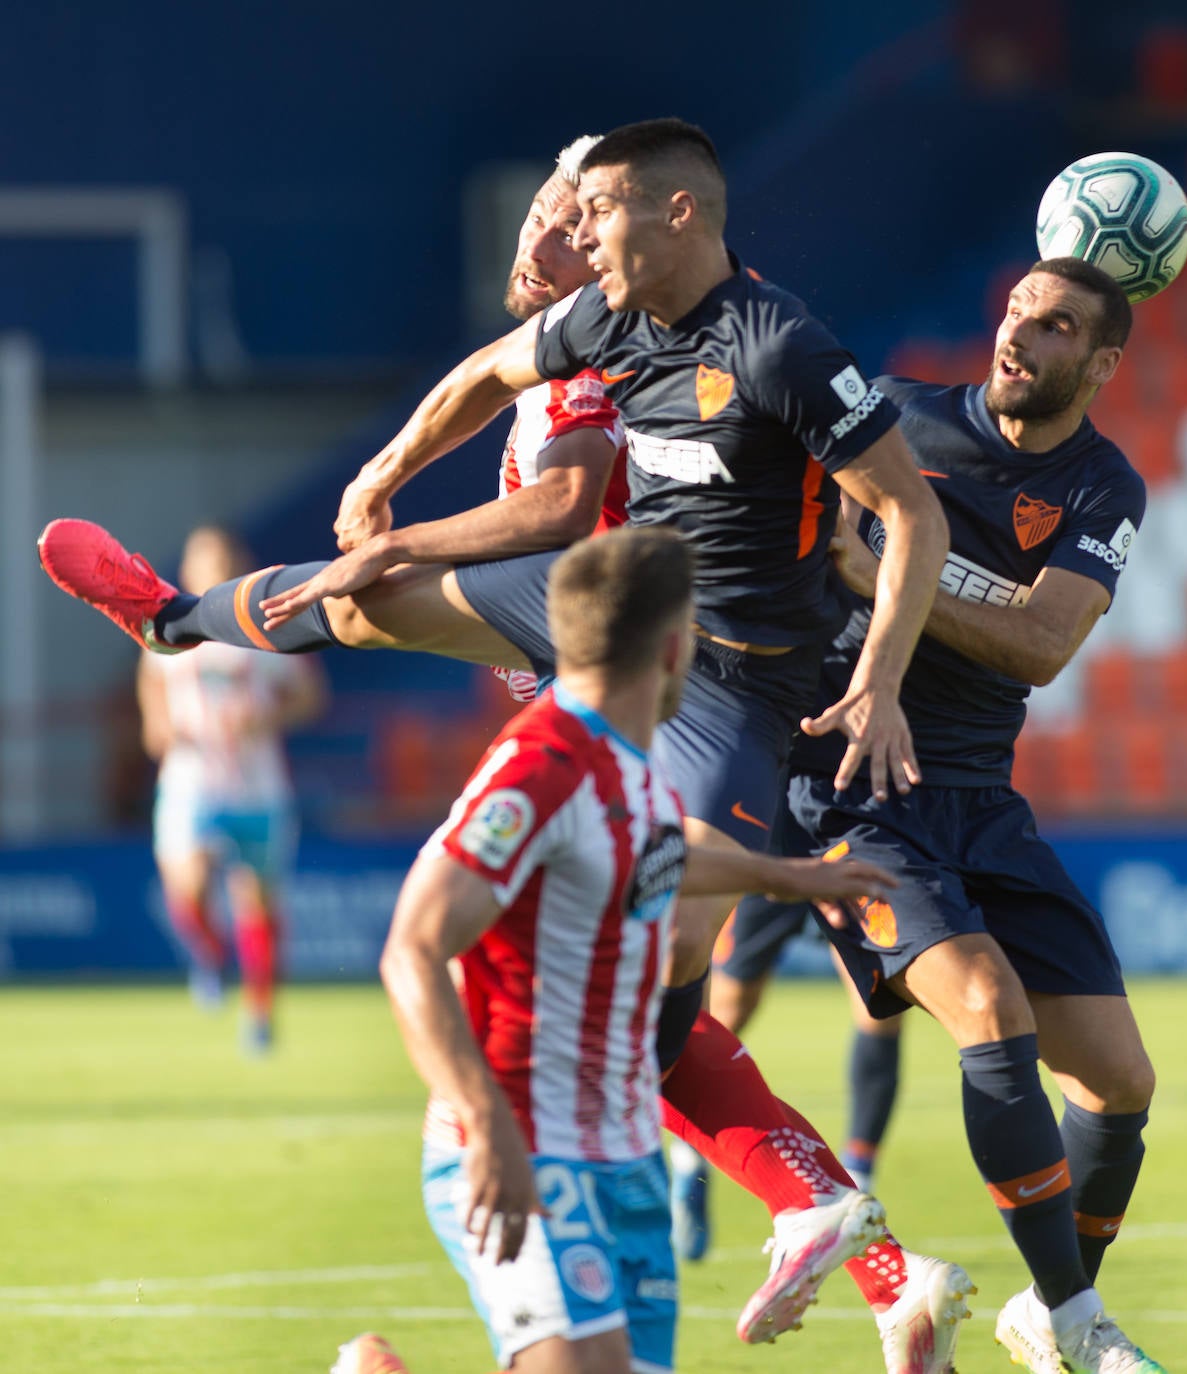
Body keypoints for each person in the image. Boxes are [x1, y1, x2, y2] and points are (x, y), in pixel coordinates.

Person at [39, 118, 970, 1372]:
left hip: (724, 674)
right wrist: (383, 472)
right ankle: (169, 617)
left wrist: (882, 679)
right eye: (562, 209)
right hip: (598, 606)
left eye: (589, 211)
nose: (569, 229)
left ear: (674, 214)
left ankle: (834, 1227)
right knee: (355, 601)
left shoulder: (779, 345)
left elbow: (883, 511)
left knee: (654, 957)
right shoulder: (604, 320)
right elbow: (481, 379)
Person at [331, 527, 902, 1374]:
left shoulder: (622, 763)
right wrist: (484, 1122)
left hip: (623, 1146)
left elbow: (648, 850)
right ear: (680, 646)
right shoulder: (540, 764)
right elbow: (412, 949)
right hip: (520, 1140)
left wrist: (781, 876)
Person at [746, 257, 1167, 1374]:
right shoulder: (897, 418)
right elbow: (808, 543)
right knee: (984, 1004)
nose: (1020, 337)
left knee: (1121, 1082)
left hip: (983, 795)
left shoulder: (1102, 487)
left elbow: (1040, 644)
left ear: (1102, 362)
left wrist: (898, 568)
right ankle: (1078, 1322)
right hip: (852, 786)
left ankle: (1041, 1308)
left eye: (1058, 325)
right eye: (1017, 312)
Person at [668, 841, 907, 1261]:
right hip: (774, 854)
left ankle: (856, 1185)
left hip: (843, 846)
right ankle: (690, 1161)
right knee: (729, 1010)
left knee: (878, 1007)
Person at [136, 524, 326, 1051]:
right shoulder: (169, 626)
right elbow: (151, 681)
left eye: (222, 558)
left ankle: (260, 1013)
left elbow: (309, 695)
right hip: (192, 780)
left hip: (258, 789)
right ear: (190, 569)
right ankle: (211, 954)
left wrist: (267, 715)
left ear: (237, 564)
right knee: (189, 884)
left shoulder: (265, 629)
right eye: (203, 559)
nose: (213, 568)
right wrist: (158, 724)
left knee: (259, 903)